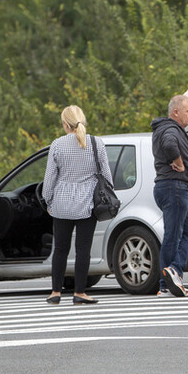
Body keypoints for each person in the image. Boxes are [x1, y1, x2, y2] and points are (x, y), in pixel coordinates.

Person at [41, 105, 112, 305]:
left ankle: (55, 292)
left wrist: (48, 200)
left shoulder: (57, 145)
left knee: (60, 249)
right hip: (87, 204)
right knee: (83, 249)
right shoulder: (96, 143)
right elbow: (107, 176)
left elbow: (49, 178)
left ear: (65, 124)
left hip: (61, 204)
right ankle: (79, 292)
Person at [151, 94, 188, 297]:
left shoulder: (167, 128)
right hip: (174, 187)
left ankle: (170, 278)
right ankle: (170, 276)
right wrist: (179, 162)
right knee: (173, 235)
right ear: (176, 112)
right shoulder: (170, 129)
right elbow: (170, 144)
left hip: (173, 188)